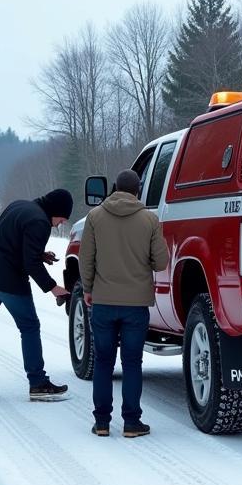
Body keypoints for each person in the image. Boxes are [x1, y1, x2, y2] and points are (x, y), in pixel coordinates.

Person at [0, 188, 73, 401]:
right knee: (29, 327)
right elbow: (29, 262)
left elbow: (12, 240)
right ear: (56, 210)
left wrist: (40, 254)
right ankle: (38, 383)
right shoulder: (40, 221)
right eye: (62, 219)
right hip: (9, 281)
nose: (60, 224)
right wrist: (53, 287)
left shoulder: (20, 205)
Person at [79, 169, 169, 437]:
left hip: (103, 303)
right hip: (135, 306)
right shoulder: (150, 220)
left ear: (114, 187)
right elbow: (161, 262)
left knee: (104, 362)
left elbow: (86, 259)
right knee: (132, 362)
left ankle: (102, 422)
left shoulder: (94, 218)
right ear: (138, 190)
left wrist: (87, 288)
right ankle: (131, 422)